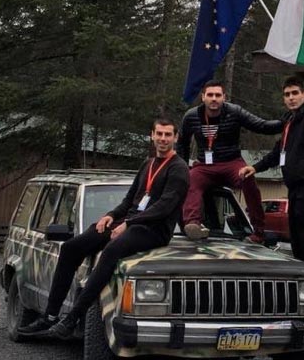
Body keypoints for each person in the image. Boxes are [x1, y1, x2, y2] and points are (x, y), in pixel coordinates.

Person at [18, 117, 189, 338]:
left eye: (168, 135)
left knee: (110, 251)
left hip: (153, 230)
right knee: (72, 247)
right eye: (159, 134)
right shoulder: (147, 164)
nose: (163, 139)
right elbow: (130, 200)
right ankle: (49, 316)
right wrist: (111, 216)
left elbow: (164, 207)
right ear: (152, 135)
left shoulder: (179, 169)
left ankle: (72, 319)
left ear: (175, 138)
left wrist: (128, 224)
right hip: (129, 223)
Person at [238, 75, 304, 266]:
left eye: (295, 93)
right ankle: (301, 283)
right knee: (296, 238)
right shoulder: (289, 121)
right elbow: (278, 152)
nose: (291, 97)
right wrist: (255, 167)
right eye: (287, 94)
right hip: (294, 189)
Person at [177, 80, 283, 243]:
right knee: (190, 180)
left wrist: (286, 122)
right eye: (210, 95)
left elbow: (261, 126)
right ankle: (193, 224)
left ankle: (259, 232)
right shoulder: (191, 116)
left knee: (248, 178)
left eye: (218, 95)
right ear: (203, 97)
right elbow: (182, 144)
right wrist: (183, 168)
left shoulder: (235, 112)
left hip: (231, 163)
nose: (214, 99)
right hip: (204, 165)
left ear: (224, 97)